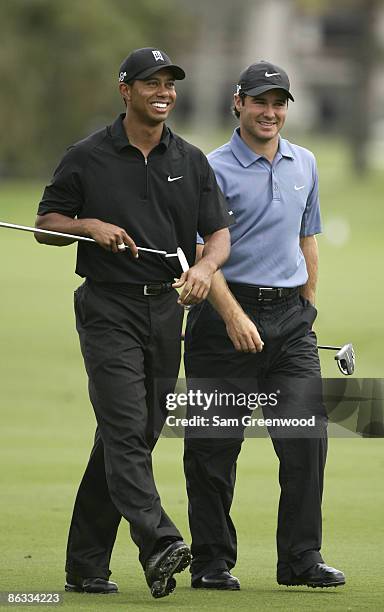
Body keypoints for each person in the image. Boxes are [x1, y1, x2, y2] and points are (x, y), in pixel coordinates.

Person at [34, 47, 232, 599]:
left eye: (170, 83)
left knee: (134, 437)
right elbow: (45, 224)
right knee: (124, 428)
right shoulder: (87, 156)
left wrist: (207, 267)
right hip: (107, 308)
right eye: (152, 83)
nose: (163, 91)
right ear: (126, 91)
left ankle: (84, 565)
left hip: (166, 311)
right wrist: (87, 224)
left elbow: (217, 232)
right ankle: (159, 540)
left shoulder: (190, 159)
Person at [183, 61, 345, 590]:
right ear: (238, 103)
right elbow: (204, 254)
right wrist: (231, 314)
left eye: (278, 103)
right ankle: (211, 562)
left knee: (305, 442)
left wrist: (309, 309)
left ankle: (301, 559)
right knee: (213, 447)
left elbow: (308, 238)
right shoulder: (211, 167)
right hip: (223, 316)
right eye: (260, 102)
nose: (270, 112)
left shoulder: (306, 162)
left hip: (290, 320)